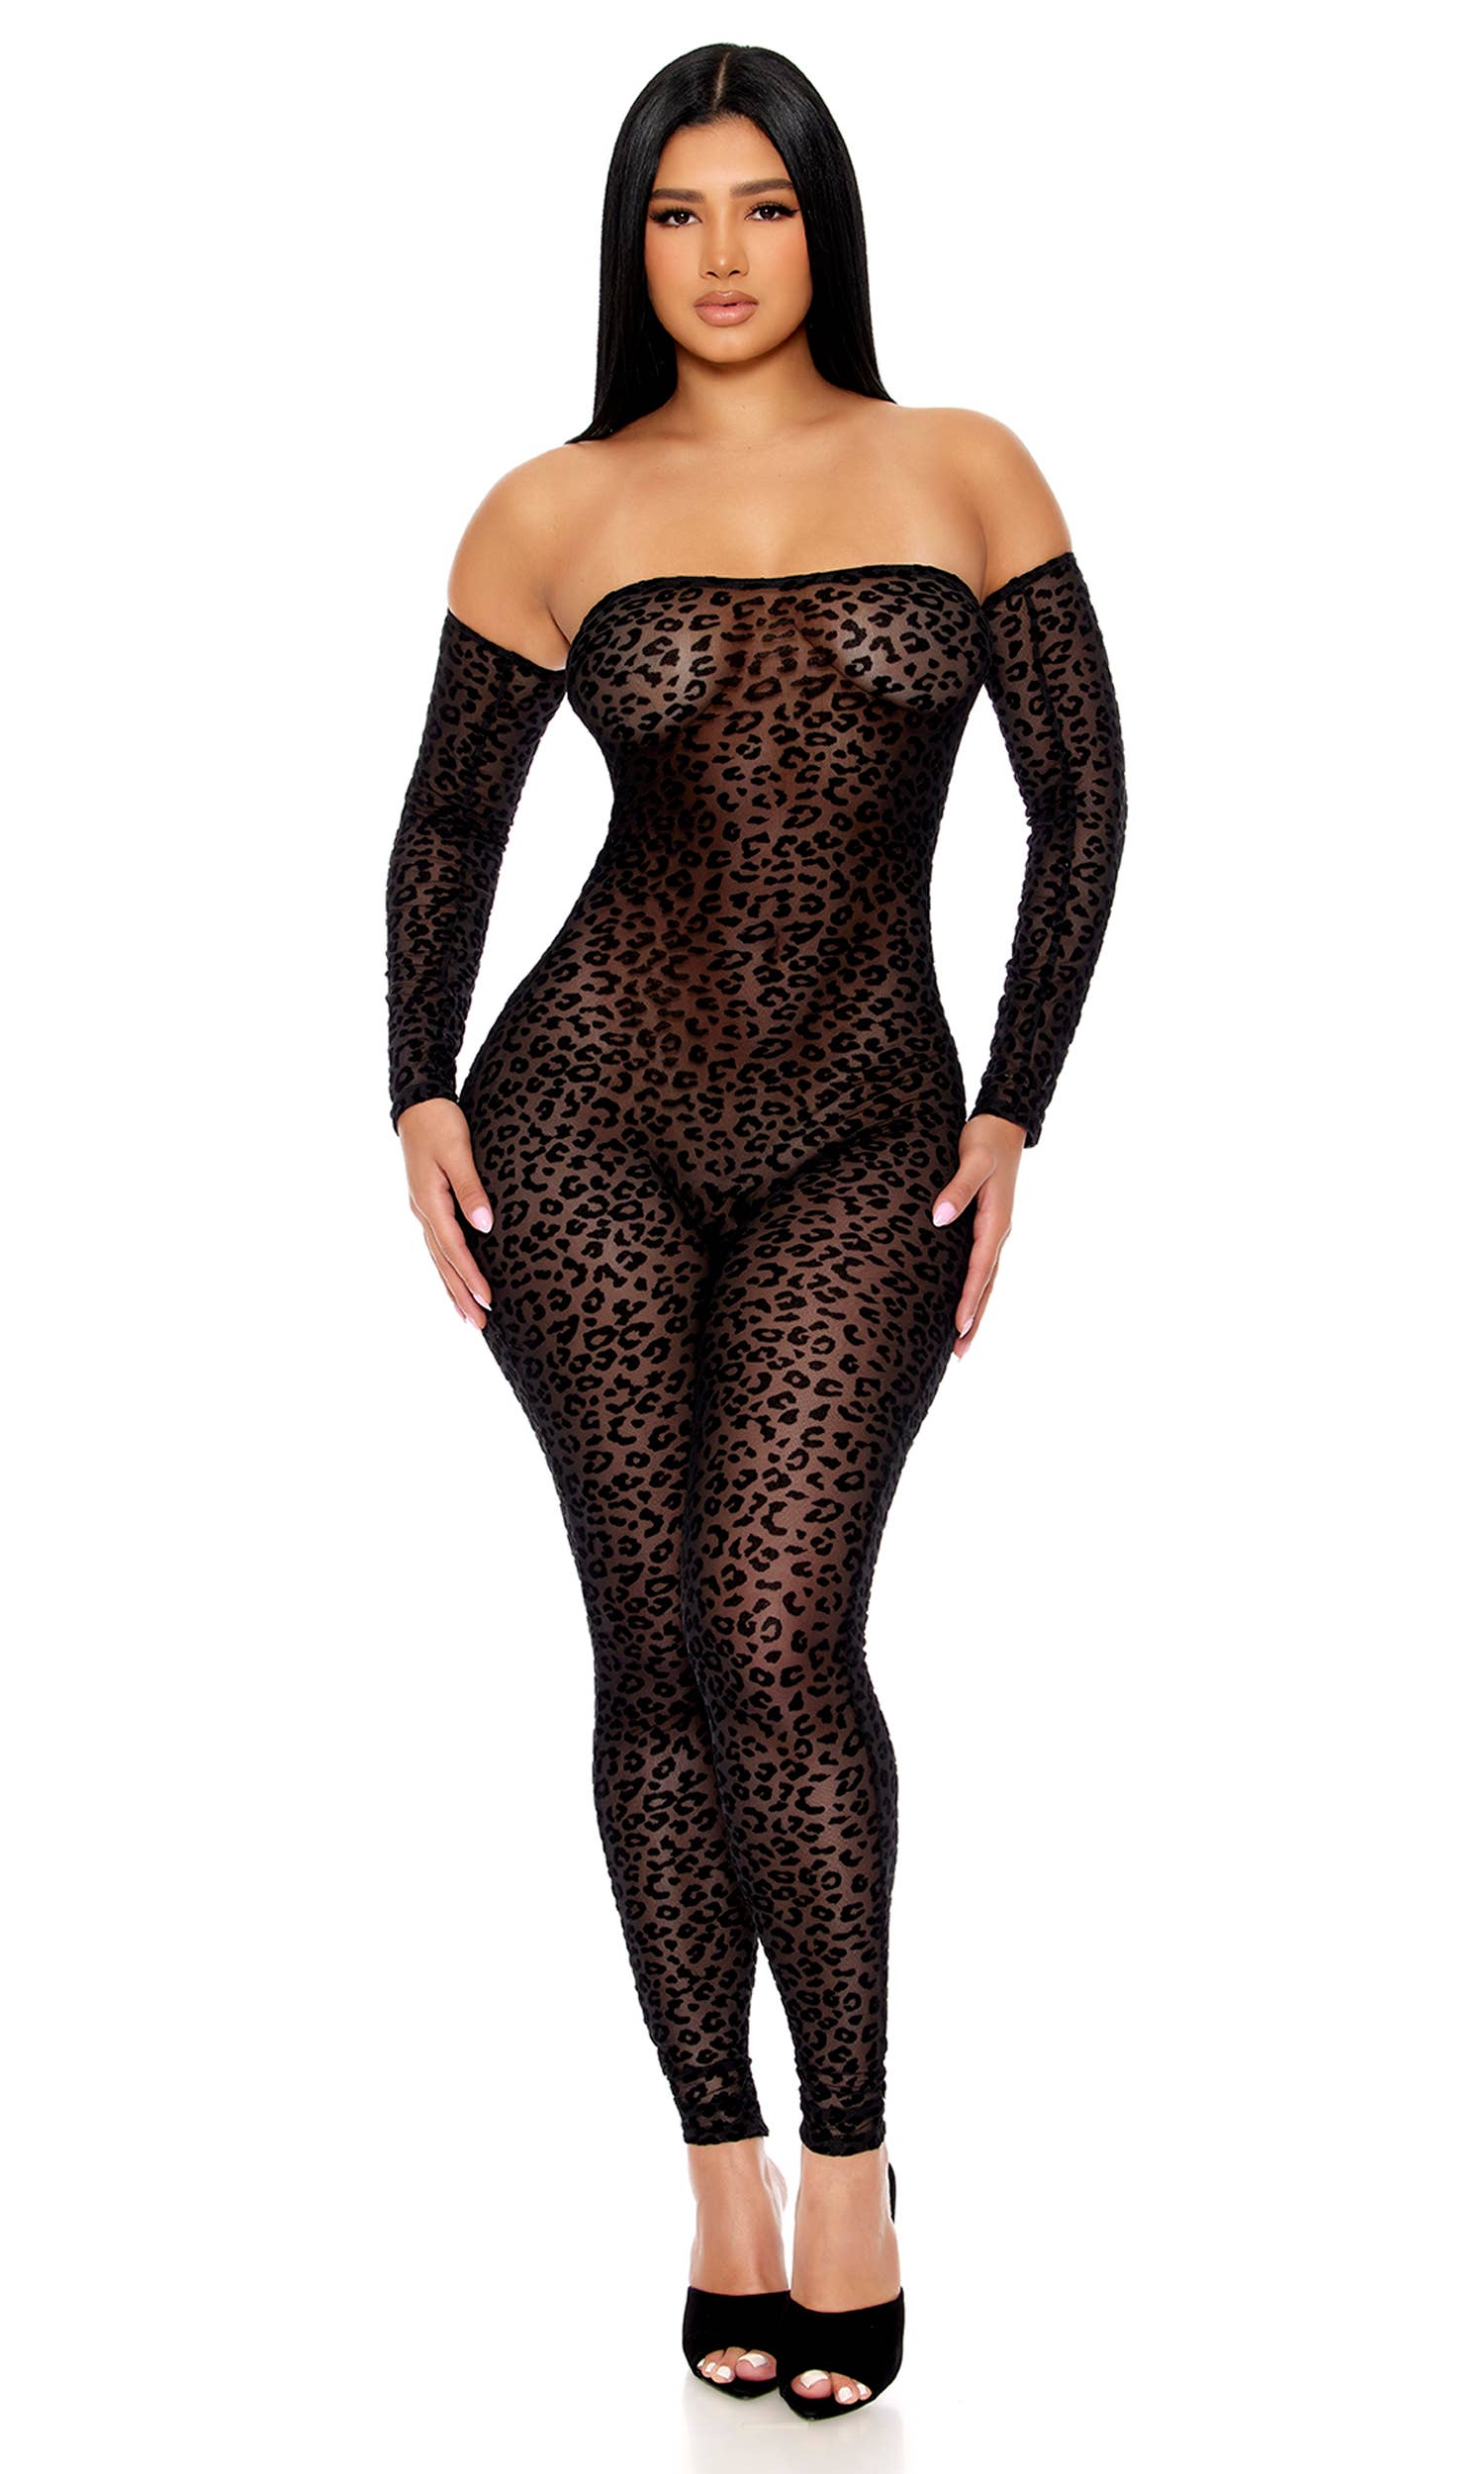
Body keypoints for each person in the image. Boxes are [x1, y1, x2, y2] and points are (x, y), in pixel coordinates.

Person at [385, 43, 1126, 2421]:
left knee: (778, 1626)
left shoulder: (963, 465)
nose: (722, 255)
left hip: (869, 1127)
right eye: (678, 213)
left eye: (766, 207)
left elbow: (1084, 792)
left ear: (828, 226)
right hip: (583, 1114)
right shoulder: (550, 505)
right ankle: (720, 2167)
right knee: (652, 1642)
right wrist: (416, 1078)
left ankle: (853, 2162)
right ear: (632, 245)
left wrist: (1016, 1100)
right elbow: (451, 820)